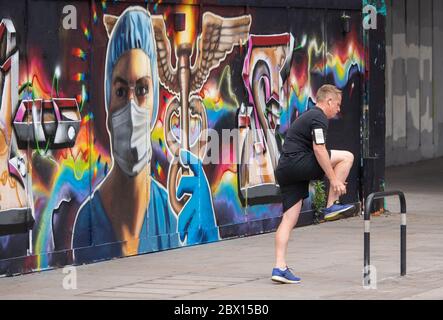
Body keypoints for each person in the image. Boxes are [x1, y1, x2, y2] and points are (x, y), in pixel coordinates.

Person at [72, 7, 219, 264]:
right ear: (108, 103)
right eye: (120, 91)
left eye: (142, 89)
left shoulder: (166, 214)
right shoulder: (88, 223)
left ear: (154, 105)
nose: (131, 106)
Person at [272, 84, 355, 284]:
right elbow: (319, 149)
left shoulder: (308, 116)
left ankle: (279, 267)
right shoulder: (318, 117)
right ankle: (331, 206)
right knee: (347, 157)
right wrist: (334, 180)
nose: (338, 109)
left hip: (285, 169)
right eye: (337, 104)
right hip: (298, 163)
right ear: (328, 101)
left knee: (289, 219)